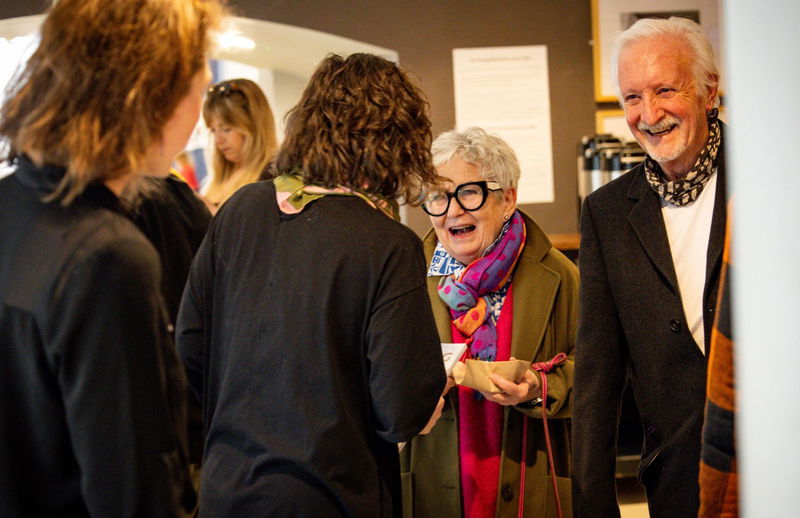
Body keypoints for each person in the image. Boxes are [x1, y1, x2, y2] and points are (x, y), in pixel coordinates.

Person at [176, 53, 447, 517]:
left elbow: (190, 346)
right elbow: (402, 408)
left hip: (228, 490)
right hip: (333, 496)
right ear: (397, 142)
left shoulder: (240, 211)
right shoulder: (387, 242)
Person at [0, 0, 222, 516]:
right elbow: (133, 490)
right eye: (199, 88)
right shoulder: (105, 257)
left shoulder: (12, 207)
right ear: (155, 94)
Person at [572, 17, 728, 518]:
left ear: (709, 91)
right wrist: (593, 503)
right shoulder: (607, 212)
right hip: (675, 482)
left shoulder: (776, 175)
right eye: (632, 98)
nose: (650, 113)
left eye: (665, 89)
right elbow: (597, 373)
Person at [400, 127, 579, 518]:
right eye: (437, 196)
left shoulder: (561, 275)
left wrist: (538, 386)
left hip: (531, 482)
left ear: (508, 198)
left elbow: (598, 374)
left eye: (468, 192)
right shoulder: (405, 273)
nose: (452, 211)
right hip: (435, 486)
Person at [201, 77, 278, 212]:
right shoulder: (216, 179)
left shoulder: (272, 179)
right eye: (213, 130)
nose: (218, 140)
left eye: (226, 129)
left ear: (253, 127)